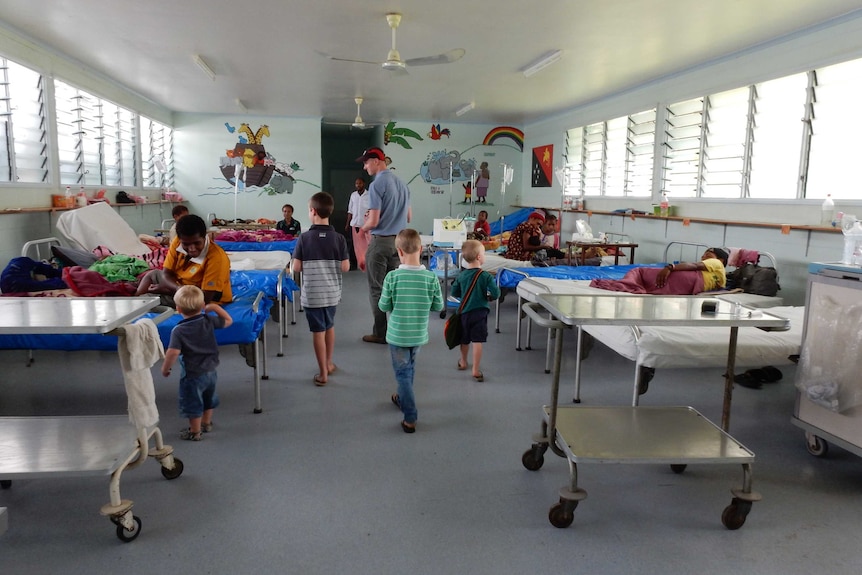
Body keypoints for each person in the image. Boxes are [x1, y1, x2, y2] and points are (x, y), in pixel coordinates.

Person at [378, 228, 444, 433]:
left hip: (398, 335)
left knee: (403, 373)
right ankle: (401, 396)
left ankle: (410, 416)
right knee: (409, 369)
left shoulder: (392, 277)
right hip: (418, 334)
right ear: (421, 249)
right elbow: (438, 307)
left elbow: (383, 307)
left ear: (399, 252)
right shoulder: (431, 278)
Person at [291, 191, 351, 386]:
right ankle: (329, 363)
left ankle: (322, 373)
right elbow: (345, 267)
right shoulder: (339, 239)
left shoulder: (305, 238)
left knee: (318, 331)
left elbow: (297, 267)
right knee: (329, 326)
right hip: (332, 293)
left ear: (313, 211)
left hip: (313, 295)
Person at [161, 285, 234, 441]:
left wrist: (166, 368)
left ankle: (195, 432)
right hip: (211, 370)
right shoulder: (207, 320)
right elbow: (228, 321)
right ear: (202, 306)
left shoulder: (178, 330)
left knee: (193, 402)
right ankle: (206, 423)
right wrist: (214, 307)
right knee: (209, 398)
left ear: (178, 309)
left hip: (192, 374)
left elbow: (173, 352)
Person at [356, 146, 412, 344]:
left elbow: (374, 221)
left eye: (366, 162)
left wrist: (362, 229)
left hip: (380, 243)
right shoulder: (402, 184)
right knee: (395, 289)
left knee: (377, 289)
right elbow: (408, 216)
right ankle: (399, 331)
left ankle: (380, 333)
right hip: (400, 243)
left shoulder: (377, 184)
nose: (364, 167)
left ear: (377, 161)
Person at [135, 214, 233, 307]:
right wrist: (176, 288)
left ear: (205, 237)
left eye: (197, 243)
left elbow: (205, 298)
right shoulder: (178, 242)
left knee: (146, 299)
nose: (192, 249)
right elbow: (166, 273)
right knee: (153, 274)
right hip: (179, 285)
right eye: (186, 244)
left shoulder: (216, 258)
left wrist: (169, 290)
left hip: (200, 297)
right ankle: (135, 299)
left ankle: (137, 308)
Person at [451, 239, 500, 381]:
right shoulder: (485, 276)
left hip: (464, 312)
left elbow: (454, 292)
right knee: (477, 340)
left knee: (465, 339)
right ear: (479, 257)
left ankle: (463, 361)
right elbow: (496, 293)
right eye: (484, 253)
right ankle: (475, 369)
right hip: (480, 312)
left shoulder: (461, 275)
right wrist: (487, 296)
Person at [590, 248, 729, 294]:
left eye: (708, 254)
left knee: (639, 271)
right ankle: (634, 287)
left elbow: (694, 265)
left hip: (685, 280)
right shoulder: (721, 279)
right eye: (703, 255)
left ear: (721, 260)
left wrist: (669, 267)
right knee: (651, 287)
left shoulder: (717, 264)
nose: (704, 257)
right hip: (686, 288)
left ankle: (622, 285)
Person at [345, 177, 371, 271]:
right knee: (352, 245)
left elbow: (372, 209)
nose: (358, 185)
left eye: (359, 183)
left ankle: (365, 264)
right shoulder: (353, 195)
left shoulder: (369, 195)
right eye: (356, 184)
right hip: (354, 224)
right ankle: (353, 264)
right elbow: (350, 210)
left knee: (366, 244)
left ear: (363, 184)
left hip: (366, 224)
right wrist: (347, 223)